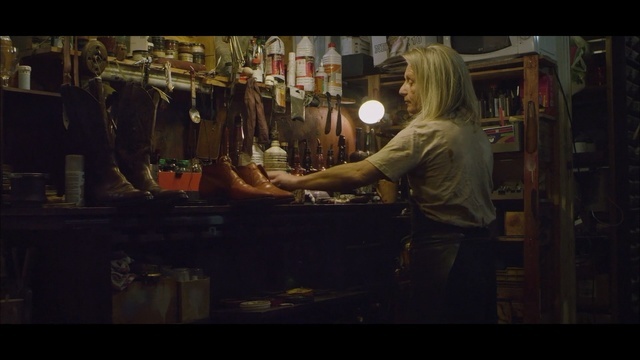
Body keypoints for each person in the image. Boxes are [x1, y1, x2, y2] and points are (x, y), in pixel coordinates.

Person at [268, 43, 497, 324]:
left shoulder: (425, 131)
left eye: (411, 81)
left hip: (445, 258)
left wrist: (295, 180)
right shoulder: (473, 130)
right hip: (480, 255)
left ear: (435, 84)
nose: (402, 90)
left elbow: (360, 173)